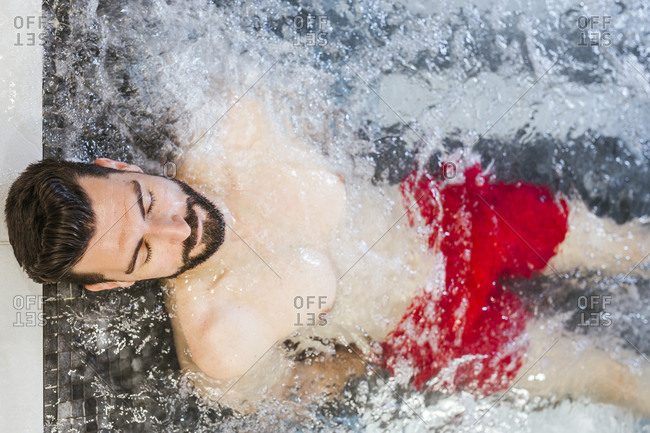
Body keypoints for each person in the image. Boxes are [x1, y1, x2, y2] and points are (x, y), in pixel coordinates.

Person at [5, 97, 649, 417]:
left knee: (630, 246)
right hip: (437, 333)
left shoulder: (235, 127)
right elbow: (292, 391)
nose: (180, 227)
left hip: (450, 219)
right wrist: (357, 360)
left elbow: (328, 119)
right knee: (619, 381)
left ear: (119, 167)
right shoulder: (218, 341)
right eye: (146, 252)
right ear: (114, 287)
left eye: (148, 201)